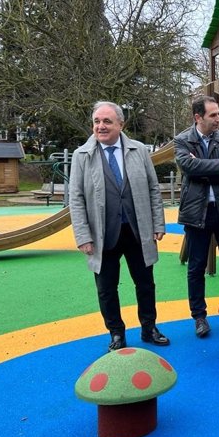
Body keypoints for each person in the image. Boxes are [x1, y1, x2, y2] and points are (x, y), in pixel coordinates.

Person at [69, 101, 170, 351]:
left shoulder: (138, 151)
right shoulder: (82, 155)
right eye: (96, 122)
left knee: (145, 283)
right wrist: (83, 235)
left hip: (138, 231)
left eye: (107, 122)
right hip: (102, 234)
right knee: (106, 288)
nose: (100, 127)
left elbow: (153, 188)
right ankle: (116, 333)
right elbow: (76, 198)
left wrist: (158, 222)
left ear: (120, 124)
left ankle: (149, 328)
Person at [174, 95, 219, 338]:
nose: (218, 119)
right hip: (197, 212)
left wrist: (204, 167)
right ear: (198, 117)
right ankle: (199, 316)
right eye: (213, 115)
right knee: (196, 267)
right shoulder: (183, 140)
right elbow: (189, 168)